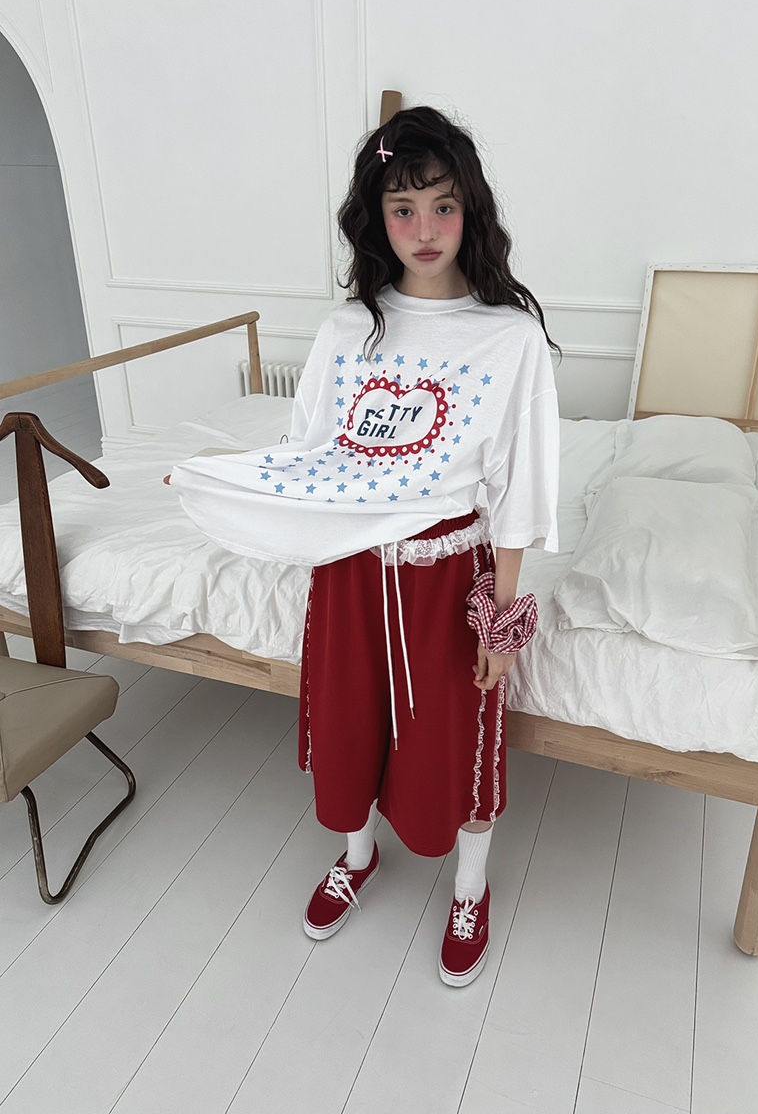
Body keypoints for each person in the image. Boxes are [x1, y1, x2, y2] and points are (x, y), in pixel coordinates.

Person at [171, 106, 560, 987]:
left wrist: (501, 620)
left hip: (447, 578)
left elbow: (521, 492)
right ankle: (357, 857)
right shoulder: (348, 330)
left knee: (457, 743)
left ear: (470, 210)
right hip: (348, 576)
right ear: (376, 218)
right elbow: (307, 458)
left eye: (443, 205)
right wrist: (215, 480)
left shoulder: (509, 338)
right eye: (402, 208)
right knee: (349, 731)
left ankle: (470, 888)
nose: (424, 229)